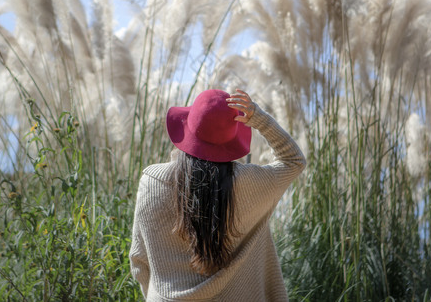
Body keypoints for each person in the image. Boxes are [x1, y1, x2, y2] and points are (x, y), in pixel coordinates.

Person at [130, 89, 306, 301]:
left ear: (187, 128)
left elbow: (139, 262)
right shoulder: (250, 184)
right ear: (230, 139)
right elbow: (294, 161)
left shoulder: (152, 181)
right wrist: (258, 118)